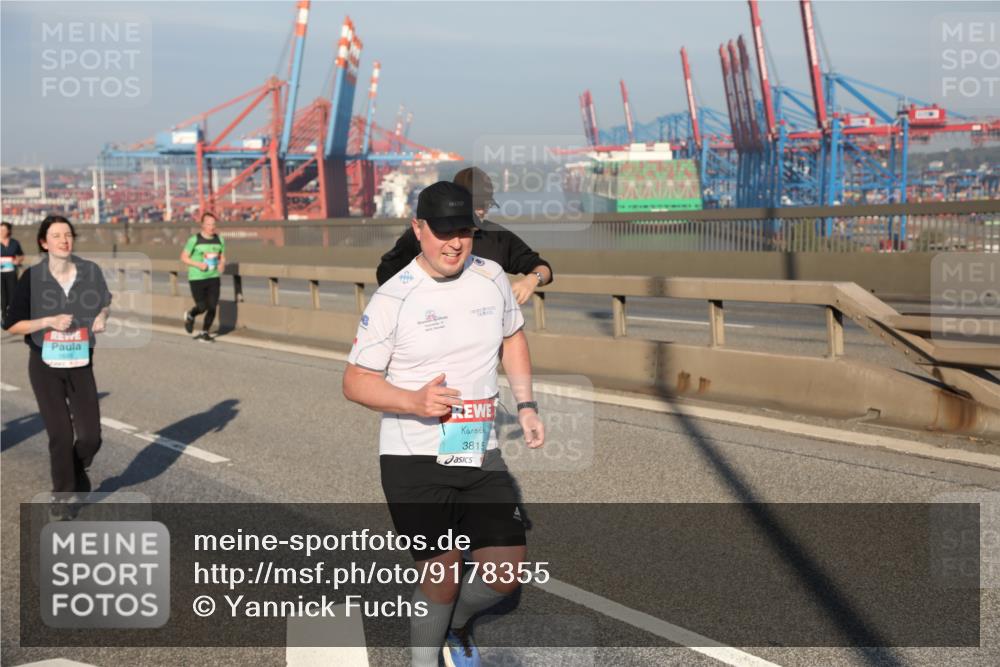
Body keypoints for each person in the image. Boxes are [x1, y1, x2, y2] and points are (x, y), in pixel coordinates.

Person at [344, 181, 545, 667]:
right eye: (443, 232)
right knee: (442, 573)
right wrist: (412, 401)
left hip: (477, 448)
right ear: (419, 229)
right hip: (412, 457)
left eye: (464, 232)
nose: (454, 243)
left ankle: (454, 625)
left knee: (505, 572)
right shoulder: (394, 298)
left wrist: (526, 405)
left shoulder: (491, 276)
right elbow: (354, 381)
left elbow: (512, 337)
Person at [2, 215, 111, 508]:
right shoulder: (33, 279)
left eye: (68, 234)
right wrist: (47, 320)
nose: (64, 240)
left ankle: (76, 470)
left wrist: (100, 317)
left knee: (91, 437)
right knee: (61, 435)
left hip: (79, 364)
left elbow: (104, 301)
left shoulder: (89, 272)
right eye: (56, 235)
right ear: (43, 242)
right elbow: (12, 325)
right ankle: (61, 498)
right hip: (45, 366)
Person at [376, 167, 553, 304]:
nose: (482, 211)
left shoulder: (497, 236)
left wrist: (531, 280)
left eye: (486, 205)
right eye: (477, 205)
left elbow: (542, 268)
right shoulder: (426, 233)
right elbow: (387, 271)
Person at [181, 212, 226, 341]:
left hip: (213, 277)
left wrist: (222, 264)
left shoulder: (220, 240)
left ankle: (205, 332)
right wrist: (198, 264)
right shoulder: (194, 240)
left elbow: (222, 256)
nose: (212, 227)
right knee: (202, 307)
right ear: (202, 226)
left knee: (212, 306)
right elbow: (184, 257)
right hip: (197, 278)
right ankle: (190, 315)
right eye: (208, 224)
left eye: (213, 224)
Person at [1, 221, 25, 316]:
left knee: (12, 294)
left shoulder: (14, 243)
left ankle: (12, 315)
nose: (1, 231)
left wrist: (18, 260)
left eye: (4, 229)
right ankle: (3, 316)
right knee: (2, 296)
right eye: (0, 229)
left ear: (9, 231)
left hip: (11, 272)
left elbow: (21, 255)